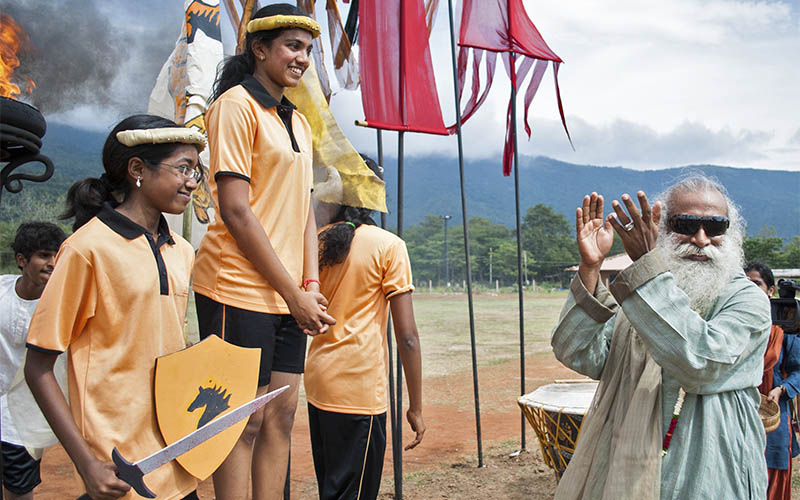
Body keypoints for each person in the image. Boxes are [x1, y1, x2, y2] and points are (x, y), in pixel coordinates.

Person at [551, 174, 771, 500]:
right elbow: (579, 353)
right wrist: (590, 269)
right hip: (624, 470)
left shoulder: (746, 300)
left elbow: (699, 361)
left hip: (710, 471)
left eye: (714, 228)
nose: (700, 239)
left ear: (730, 233)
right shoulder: (643, 297)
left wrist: (645, 266)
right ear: (661, 228)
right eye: (685, 224)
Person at [191, 4, 335, 498]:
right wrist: (293, 291)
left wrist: (309, 289)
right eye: (293, 46)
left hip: (288, 293)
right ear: (259, 49)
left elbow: (302, 215)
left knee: (282, 414)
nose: (302, 58)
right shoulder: (235, 105)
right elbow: (235, 211)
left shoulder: (297, 122)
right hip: (235, 286)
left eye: (308, 50)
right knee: (240, 423)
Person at [24, 114, 205, 500]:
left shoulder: (183, 251)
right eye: (183, 168)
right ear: (137, 169)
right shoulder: (86, 249)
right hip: (118, 468)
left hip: (175, 458)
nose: (192, 181)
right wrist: (86, 463)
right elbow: (38, 366)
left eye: (196, 171)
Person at [305, 156, 425, 500]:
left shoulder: (315, 240)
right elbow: (408, 337)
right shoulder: (389, 246)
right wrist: (415, 406)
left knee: (332, 483)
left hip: (318, 382)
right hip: (359, 390)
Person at [1, 222, 66, 500]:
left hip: (24, 422)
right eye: (43, 255)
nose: (52, 263)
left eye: (56, 256)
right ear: (22, 260)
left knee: (19, 490)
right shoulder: (1, 291)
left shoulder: (62, 305)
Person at [746, 261, 799, 500]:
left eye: (756, 284)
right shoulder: (733, 323)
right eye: (744, 283)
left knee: (771, 477)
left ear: (770, 291)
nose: (749, 288)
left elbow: (798, 370)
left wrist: (782, 389)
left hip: (773, 414)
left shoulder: (784, 327)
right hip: (740, 411)